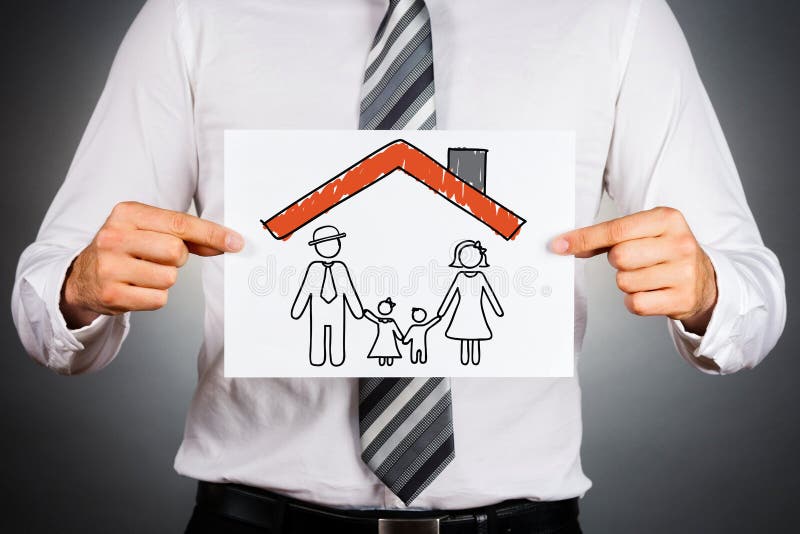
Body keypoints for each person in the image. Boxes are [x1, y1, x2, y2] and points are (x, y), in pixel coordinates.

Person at [11, 0, 786, 532]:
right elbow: (48, 295)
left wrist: (708, 288)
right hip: (254, 521)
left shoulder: (616, 14)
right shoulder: (197, 11)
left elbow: (753, 297)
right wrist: (80, 289)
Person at [291, 225, 364, 367]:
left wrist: (357, 310)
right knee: (317, 333)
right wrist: (298, 309)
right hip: (318, 308)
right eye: (325, 244)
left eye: (333, 243)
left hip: (337, 309)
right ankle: (317, 358)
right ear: (317, 247)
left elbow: (349, 289)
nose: (330, 247)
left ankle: (337, 358)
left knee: (338, 334)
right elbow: (306, 289)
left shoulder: (340, 268)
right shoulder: (314, 268)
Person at [438, 240, 504, 366]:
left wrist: (497, 309)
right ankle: (465, 360)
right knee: (463, 334)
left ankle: (474, 360)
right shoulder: (460, 277)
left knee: (476, 334)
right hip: (462, 311)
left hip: (476, 311)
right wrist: (442, 311)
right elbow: (451, 294)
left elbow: (489, 294)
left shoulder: (480, 277)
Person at [364, 297, 404, 366]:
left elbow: (396, 331)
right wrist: (366, 313)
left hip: (390, 340)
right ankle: (382, 363)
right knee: (381, 351)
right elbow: (373, 318)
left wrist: (401, 338)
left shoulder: (391, 322)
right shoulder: (380, 321)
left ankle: (389, 364)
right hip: (381, 339)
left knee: (390, 352)